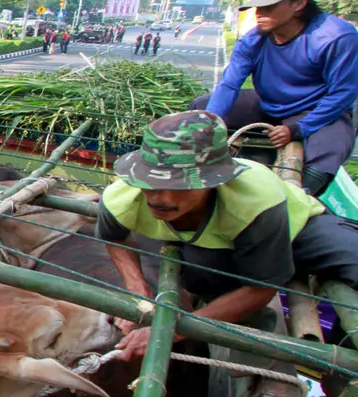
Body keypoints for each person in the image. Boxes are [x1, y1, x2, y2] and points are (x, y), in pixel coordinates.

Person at [97, 110, 358, 364]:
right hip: (216, 246)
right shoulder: (120, 200)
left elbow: (262, 286)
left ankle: (336, 364)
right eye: (150, 181)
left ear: (213, 180)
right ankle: (242, 322)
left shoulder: (256, 201)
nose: (159, 198)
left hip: (295, 230)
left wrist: (171, 330)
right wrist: (138, 289)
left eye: (179, 184)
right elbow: (113, 237)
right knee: (201, 273)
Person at [193, 0, 358, 197]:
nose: (259, 14)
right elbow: (229, 85)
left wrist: (299, 129)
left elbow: (343, 93)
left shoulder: (336, 37)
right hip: (267, 102)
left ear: (299, 3)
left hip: (315, 109)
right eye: (257, 8)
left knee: (329, 148)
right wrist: (210, 121)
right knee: (200, 108)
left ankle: (300, 198)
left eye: (269, 7)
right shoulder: (253, 40)